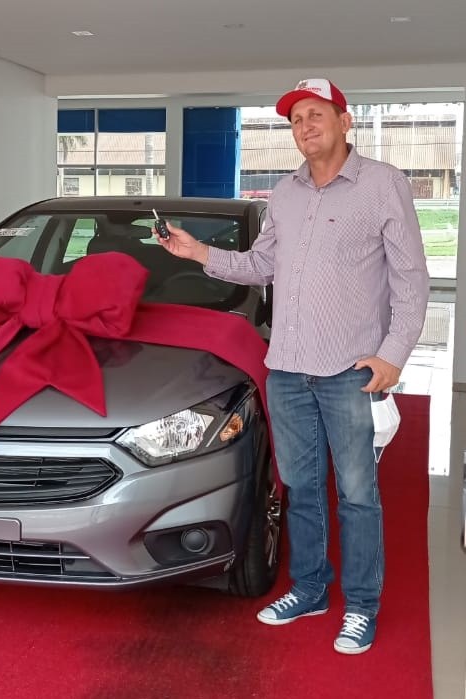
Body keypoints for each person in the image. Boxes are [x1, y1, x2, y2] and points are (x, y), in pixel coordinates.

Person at [154, 78, 429, 655]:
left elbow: (411, 280)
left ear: (345, 121)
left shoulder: (384, 185)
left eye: (316, 114)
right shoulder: (284, 193)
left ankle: (361, 605)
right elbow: (261, 265)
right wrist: (196, 252)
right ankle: (310, 588)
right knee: (301, 489)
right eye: (296, 119)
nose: (305, 126)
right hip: (287, 369)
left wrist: (393, 355)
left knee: (357, 494)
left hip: (352, 370)